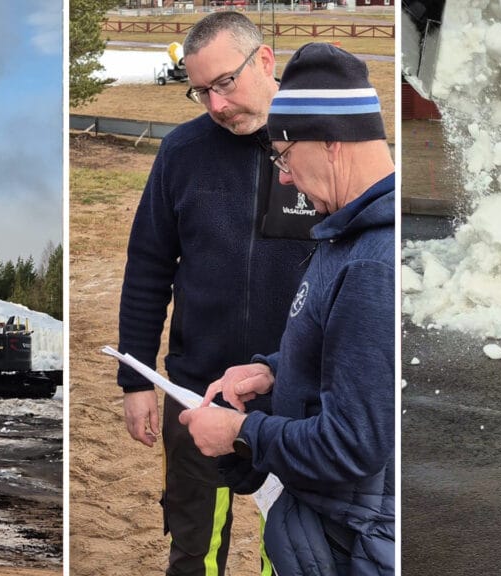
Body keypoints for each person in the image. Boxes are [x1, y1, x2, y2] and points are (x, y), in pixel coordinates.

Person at [115, 11, 322, 576]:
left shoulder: (319, 145)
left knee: (293, 550)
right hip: (195, 393)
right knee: (194, 551)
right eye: (200, 91)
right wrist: (136, 379)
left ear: (264, 60)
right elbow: (148, 268)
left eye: (224, 84)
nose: (215, 105)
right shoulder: (181, 153)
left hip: (295, 401)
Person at [178, 42, 396, 576]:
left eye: (283, 154)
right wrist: (275, 369)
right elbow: (354, 361)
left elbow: (354, 444)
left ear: (330, 143)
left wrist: (240, 434)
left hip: (350, 546)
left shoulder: (373, 264)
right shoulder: (344, 236)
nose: (283, 176)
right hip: (323, 534)